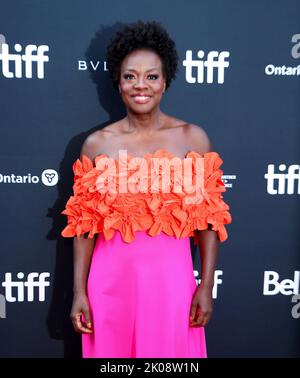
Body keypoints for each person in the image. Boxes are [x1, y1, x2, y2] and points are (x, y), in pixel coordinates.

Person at [61, 20, 232, 358]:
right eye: (130, 76)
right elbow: (84, 227)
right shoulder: (96, 145)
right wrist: (80, 291)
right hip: (109, 286)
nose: (141, 85)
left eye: (151, 76)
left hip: (172, 285)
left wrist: (206, 285)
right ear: (118, 82)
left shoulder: (192, 139)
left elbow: (209, 221)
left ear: (165, 81)